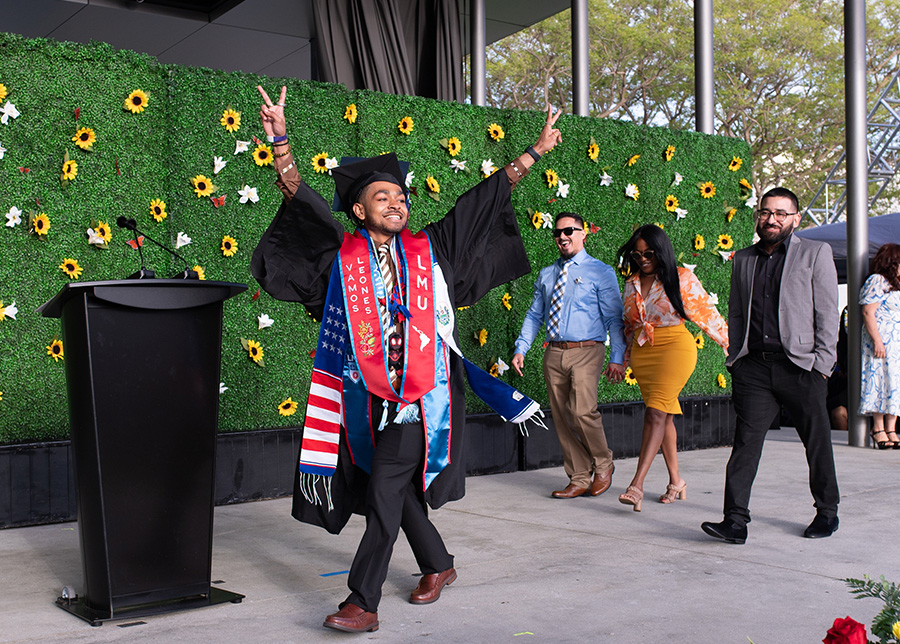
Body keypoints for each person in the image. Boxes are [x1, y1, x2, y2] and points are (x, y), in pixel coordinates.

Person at [251, 85, 562, 633]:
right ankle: (439, 565)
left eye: (400, 196)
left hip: (423, 395)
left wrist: (531, 155)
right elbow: (304, 209)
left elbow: (477, 207)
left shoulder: (429, 249)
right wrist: (280, 141)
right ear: (359, 208)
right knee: (386, 484)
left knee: (383, 489)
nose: (395, 203)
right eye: (381, 197)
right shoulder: (341, 258)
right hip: (362, 397)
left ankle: (362, 602)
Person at [701, 187, 840, 544]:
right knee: (745, 443)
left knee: (817, 441)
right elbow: (735, 312)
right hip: (754, 369)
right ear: (758, 217)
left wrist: (822, 365)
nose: (772, 219)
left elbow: (826, 312)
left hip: (801, 367)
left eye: (781, 213)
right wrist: (735, 358)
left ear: (795, 219)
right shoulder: (744, 258)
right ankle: (734, 521)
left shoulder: (815, 253)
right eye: (765, 212)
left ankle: (827, 513)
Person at [511, 213, 626, 499]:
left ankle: (603, 464)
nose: (562, 237)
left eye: (569, 231)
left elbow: (614, 318)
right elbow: (535, 314)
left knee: (582, 410)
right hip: (554, 353)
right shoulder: (547, 274)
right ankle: (578, 477)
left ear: (583, 233)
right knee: (562, 417)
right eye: (558, 232)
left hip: (588, 350)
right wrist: (521, 347)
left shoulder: (601, 271)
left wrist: (618, 356)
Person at [616, 225, 728, 512]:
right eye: (637, 254)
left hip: (675, 348)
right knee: (663, 415)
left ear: (661, 250)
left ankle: (636, 485)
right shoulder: (630, 283)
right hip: (644, 352)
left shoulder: (681, 278)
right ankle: (676, 481)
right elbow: (629, 326)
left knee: (655, 412)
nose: (642, 258)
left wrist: (731, 345)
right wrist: (622, 359)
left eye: (649, 253)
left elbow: (707, 314)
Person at [859, 243, 900, 449]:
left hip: (897, 346)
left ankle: (891, 428)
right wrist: (877, 340)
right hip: (882, 342)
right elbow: (868, 312)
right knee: (880, 381)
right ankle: (878, 427)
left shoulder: (896, 284)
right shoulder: (877, 281)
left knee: (895, 385)